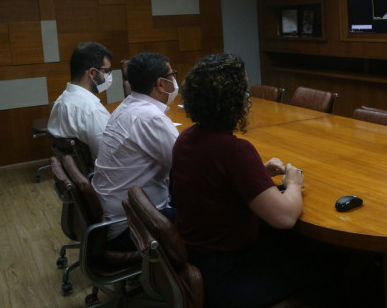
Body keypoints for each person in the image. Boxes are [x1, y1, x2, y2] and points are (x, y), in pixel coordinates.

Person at [172, 53, 324, 307]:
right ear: (231, 99)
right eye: (244, 90)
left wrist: (256, 172)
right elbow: (285, 218)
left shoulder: (186, 137)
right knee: (326, 265)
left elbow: (215, 181)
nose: (247, 97)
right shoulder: (235, 150)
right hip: (228, 270)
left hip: (198, 258)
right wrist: (294, 182)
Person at [91, 52, 180, 251]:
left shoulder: (127, 107)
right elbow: (188, 166)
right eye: (172, 75)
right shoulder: (150, 117)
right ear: (160, 84)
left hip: (113, 217)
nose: (175, 80)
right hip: (132, 228)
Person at [47, 41, 113, 159]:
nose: (108, 76)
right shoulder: (91, 110)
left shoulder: (61, 100)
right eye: (106, 71)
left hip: (81, 173)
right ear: (92, 73)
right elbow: (111, 156)